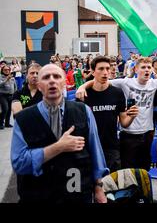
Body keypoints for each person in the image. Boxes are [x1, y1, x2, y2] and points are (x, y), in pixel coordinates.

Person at [11, 64, 108, 203]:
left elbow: (95, 151)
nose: (52, 81)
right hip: (37, 194)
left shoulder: (83, 111)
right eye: (46, 77)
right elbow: (19, 163)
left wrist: (99, 188)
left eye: (56, 76)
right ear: (39, 85)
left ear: (64, 83)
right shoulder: (23, 119)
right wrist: (58, 147)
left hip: (76, 192)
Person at [77, 57, 157, 170]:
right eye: (143, 67)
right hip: (128, 134)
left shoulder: (154, 83)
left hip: (147, 132)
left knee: (144, 169)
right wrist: (82, 86)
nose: (147, 70)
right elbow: (101, 81)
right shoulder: (125, 82)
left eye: (149, 67)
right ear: (136, 69)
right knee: (127, 170)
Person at [78, 56, 138, 172]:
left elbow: (124, 123)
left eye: (107, 68)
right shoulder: (84, 94)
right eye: (101, 69)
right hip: (90, 148)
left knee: (113, 185)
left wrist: (132, 116)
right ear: (93, 71)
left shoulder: (117, 93)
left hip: (111, 147)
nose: (105, 72)